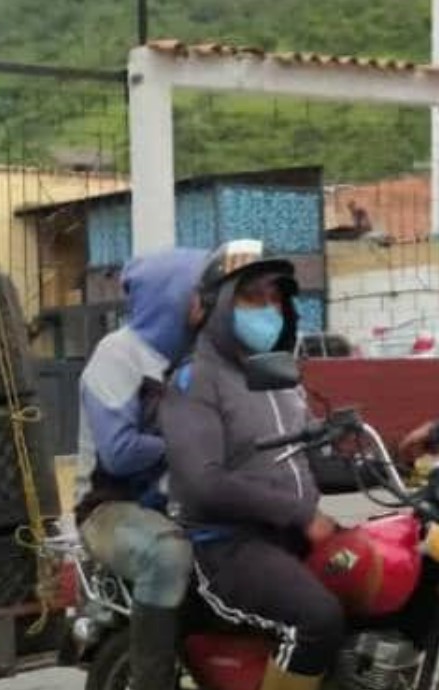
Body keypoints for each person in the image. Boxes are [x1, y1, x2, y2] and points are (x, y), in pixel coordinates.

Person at [159, 239, 343, 690]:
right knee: (317, 618)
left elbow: (310, 463)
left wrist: (395, 463)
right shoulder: (195, 378)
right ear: (218, 305)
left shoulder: (276, 376)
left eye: (274, 297)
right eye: (251, 297)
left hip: (285, 538)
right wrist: (301, 513)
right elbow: (204, 483)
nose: (268, 308)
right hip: (227, 547)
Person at [75, 248, 208, 690]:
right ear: (171, 295)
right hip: (111, 509)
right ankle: (152, 680)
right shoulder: (118, 355)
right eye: (199, 293)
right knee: (167, 555)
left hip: (180, 500)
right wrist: (188, 443)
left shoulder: (200, 356)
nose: (206, 305)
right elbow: (119, 452)